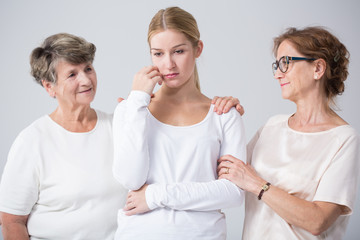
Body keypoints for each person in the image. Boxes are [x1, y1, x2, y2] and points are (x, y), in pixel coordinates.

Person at [112, 6, 246, 240]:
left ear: (198, 49)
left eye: (178, 51)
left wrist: (155, 196)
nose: (169, 65)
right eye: (158, 54)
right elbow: (130, 179)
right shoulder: (130, 110)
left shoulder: (224, 115)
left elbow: (233, 192)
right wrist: (137, 101)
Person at [218, 26, 360, 239]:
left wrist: (257, 184)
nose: (277, 74)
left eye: (286, 63)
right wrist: (224, 118)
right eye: (276, 65)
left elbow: (317, 221)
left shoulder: (343, 139)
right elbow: (224, 169)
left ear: (318, 69)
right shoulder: (272, 126)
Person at [0, 33, 128, 239]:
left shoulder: (117, 126)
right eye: (72, 74)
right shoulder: (33, 141)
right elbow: (11, 220)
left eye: (88, 68)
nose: (86, 80)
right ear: (49, 87)